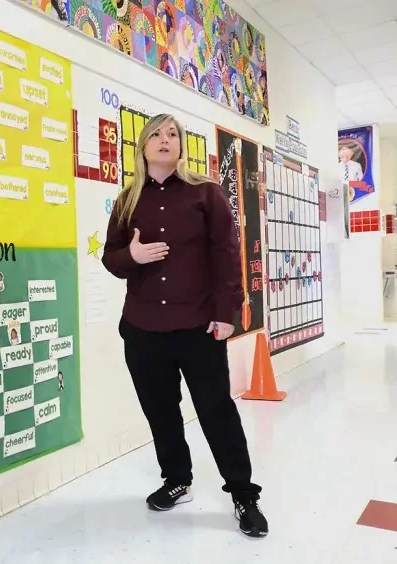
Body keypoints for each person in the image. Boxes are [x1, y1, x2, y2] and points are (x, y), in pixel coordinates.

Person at [101, 113, 268, 538]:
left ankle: (244, 495)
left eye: (172, 134)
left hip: (199, 327)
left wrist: (227, 313)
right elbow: (111, 258)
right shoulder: (126, 201)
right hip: (143, 328)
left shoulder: (206, 193)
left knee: (216, 411)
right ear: (142, 146)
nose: (165, 139)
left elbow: (227, 254)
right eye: (156, 134)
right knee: (160, 411)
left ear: (181, 146)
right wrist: (132, 257)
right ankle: (177, 479)